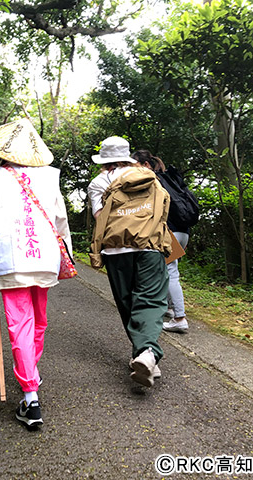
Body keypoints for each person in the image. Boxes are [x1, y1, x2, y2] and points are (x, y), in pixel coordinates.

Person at [0, 118, 72, 429]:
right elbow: (60, 220)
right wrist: (64, 253)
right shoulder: (50, 179)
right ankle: (31, 377)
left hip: (10, 261)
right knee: (38, 321)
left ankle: (30, 394)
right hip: (43, 258)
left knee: (19, 324)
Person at [87, 136, 170, 388]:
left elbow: (101, 217)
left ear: (104, 160)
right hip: (149, 246)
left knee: (128, 304)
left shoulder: (99, 182)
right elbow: (163, 208)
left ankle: (144, 354)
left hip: (116, 251)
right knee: (151, 300)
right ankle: (147, 353)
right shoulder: (149, 176)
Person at [132, 150, 191, 334]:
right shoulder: (170, 180)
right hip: (183, 231)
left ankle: (180, 318)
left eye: (136, 166)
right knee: (167, 269)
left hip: (169, 231)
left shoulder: (153, 182)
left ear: (146, 165)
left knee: (170, 272)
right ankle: (171, 309)